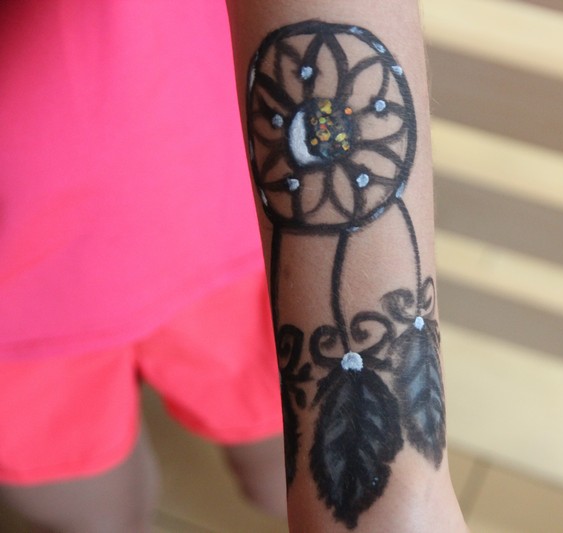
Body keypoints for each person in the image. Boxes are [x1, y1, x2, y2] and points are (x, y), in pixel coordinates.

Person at [1, 0, 468, 531]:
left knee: (282, 474)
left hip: (239, 222)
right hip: (15, 319)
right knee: (100, 517)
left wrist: (400, 497)